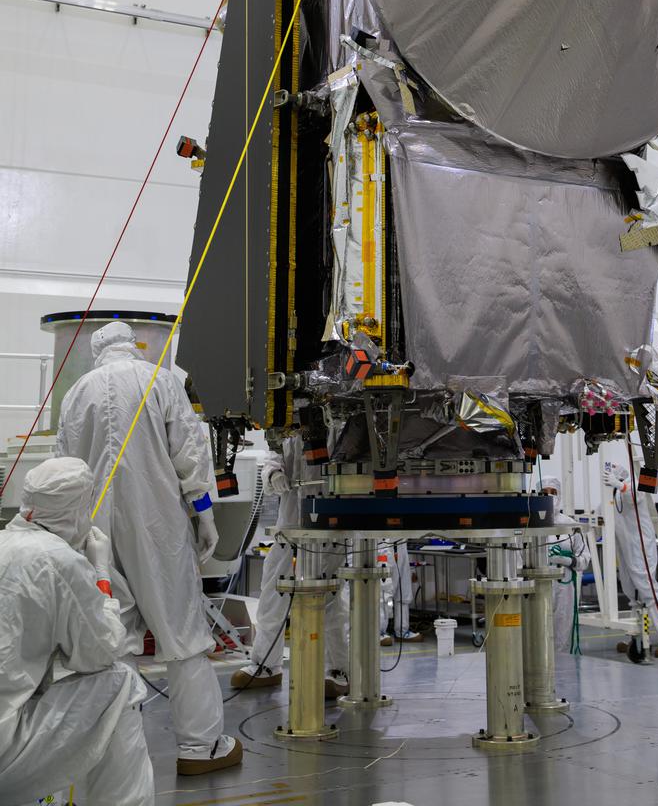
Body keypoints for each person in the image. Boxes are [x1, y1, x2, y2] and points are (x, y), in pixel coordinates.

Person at [55, 319, 242, 775]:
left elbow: (62, 465)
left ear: (99, 350)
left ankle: (119, 743)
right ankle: (200, 748)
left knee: (111, 637)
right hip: (157, 524)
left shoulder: (78, 392)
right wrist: (204, 512)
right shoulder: (159, 380)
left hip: (93, 528)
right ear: (134, 348)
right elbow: (189, 451)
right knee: (183, 635)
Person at [0, 458, 154, 806]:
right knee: (120, 682)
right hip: (5, 749)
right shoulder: (59, 560)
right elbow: (101, 651)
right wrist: (100, 573)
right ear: (77, 510)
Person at [230, 434, 350, 698]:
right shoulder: (288, 424)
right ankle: (265, 665)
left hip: (330, 523)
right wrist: (273, 473)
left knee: (329, 597)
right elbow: (274, 454)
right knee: (273, 593)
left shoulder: (339, 421)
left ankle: (339, 670)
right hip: (290, 523)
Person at [603, 458, 658, 658]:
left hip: (640, 546)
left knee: (649, 592)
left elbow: (635, 497)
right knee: (631, 593)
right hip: (625, 547)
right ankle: (636, 635)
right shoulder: (615, 491)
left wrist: (620, 484)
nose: (612, 471)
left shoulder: (635, 484)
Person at [541, 476, 588, 651]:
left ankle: (564, 670)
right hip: (539, 585)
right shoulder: (529, 523)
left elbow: (585, 558)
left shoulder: (570, 524)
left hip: (565, 585)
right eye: (544, 493)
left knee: (562, 626)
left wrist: (569, 560)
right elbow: (518, 559)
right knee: (539, 628)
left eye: (554, 492)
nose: (550, 496)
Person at [379, 541, 423, 645]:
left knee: (404, 590)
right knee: (384, 592)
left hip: (401, 544)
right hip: (383, 546)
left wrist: (412, 570)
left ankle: (402, 631)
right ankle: (379, 632)